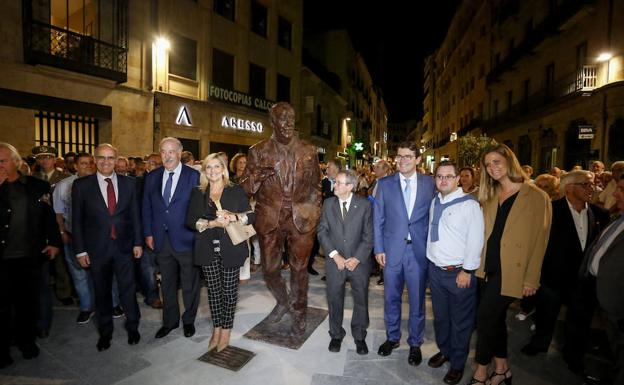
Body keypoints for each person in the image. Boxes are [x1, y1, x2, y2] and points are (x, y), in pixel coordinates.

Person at [467, 143, 551, 385]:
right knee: (496, 319)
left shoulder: (536, 196)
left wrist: (531, 278)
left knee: (484, 318)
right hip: (487, 268)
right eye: (487, 164)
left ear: (509, 161)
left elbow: (540, 241)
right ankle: (503, 369)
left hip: (511, 271)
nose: (492, 168)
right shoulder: (490, 195)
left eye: (496, 161)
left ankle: (481, 370)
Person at [241, 101, 322, 334]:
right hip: (270, 217)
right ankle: (283, 301)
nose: (288, 124)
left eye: (291, 119)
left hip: (301, 217)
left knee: (299, 268)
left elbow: (317, 185)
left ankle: (299, 311)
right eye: (282, 119)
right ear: (272, 122)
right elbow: (245, 189)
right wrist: (255, 176)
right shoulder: (258, 151)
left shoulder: (309, 150)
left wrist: (314, 209)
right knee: (270, 269)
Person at [521, 170, 608, 357]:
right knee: (546, 315)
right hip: (553, 277)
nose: (591, 188)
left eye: (592, 183)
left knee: (580, 320)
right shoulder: (549, 211)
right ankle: (539, 344)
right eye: (585, 184)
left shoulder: (600, 214)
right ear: (569, 188)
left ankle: (573, 354)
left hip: (583, 281)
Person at [72, 143, 143, 351]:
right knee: (102, 293)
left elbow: (135, 217)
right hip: (97, 249)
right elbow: (76, 221)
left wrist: (138, 242)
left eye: (110, 158)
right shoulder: (82, 186)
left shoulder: (129, 184)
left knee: (128, 291)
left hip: (124, 247)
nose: (106, 162)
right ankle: (105, 332)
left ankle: (133, 327)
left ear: (117, 160)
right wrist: (80, 250)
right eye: (101, 157)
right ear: (95, 159)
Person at [373, 141, 436, 365]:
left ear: (418, 159)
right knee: (391, 298)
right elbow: (378, 219)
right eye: (399, 156)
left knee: (418, 301)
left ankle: (415, 343)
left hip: (418, 252)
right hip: (391, 251)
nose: (403, 160)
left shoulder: (430, 183)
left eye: (408, 156)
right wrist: (378, 248)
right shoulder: (385, 184)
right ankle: (392, 338)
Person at [0, 142, 61, 368]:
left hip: (29, 256)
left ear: (16, 163)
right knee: (2, 306)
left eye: (3, 161)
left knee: (27, 303)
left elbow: (48, 217)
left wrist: (54, 242)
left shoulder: (37, 186)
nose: (0, 166)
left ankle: (27, 342)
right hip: (2, 259)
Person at [187, 153, 255, 351]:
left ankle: (226, 331)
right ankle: (216, 329)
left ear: (223, 169)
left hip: (231, 248)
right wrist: (212, 223)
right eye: (209, 167)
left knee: (229, 292)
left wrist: (233, 217)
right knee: (214, 293)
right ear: (204, 171)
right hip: (207, 248)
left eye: (217, 167)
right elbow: (190, 220)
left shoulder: (235, 190)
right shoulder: (197, 192)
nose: (213, 171)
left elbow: (251, 216)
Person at [426, 161, 484, 385]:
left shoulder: (469, 205)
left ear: (458, 178)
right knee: (441, 318)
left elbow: (476, 240)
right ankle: (446, 351)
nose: (443, 180)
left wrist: (467, 270)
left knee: (460, 321)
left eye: (448, 176)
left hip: (458, 273)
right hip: (436, 271)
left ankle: (458, 364)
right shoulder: (435, 201)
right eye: (439, 176)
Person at [142, 137, 201, 339]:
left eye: (171, 151)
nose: (167, 156)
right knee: (166, 283)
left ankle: (189, 320)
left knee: (190, 284)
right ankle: (170, 321)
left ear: (179, 152)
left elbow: (199, 208)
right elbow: (146, 207)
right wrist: (148, 233)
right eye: (164, 152)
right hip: (161, 239)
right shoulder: (152, 177)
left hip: (186, 238)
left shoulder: (193, 176)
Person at [317, 169, 373, 355]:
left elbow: (368, 236)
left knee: (361, 301)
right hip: (335, 262)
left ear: (350, 186)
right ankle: (336, 334)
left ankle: (359, 336)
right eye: (336, 182)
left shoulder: (364, 205)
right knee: (334, 299)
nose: (335, 185)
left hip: (358, 263)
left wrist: (356, 258)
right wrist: (334, 255)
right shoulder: (328, 203)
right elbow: (322, 231)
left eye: (339, 183)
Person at [584, 174, 624, 384]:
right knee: (615, 347)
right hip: (603, 295)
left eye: (622, 189)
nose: (615, 194)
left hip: (618, 303)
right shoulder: (618, 217)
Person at [52, 152, 98, 324]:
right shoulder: (64, 185)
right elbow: (58, 213)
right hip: (73, 236)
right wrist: (62, 232)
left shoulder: (101, 183)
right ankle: (87, 307)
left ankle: (112, 303)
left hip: (97, 238)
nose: (87, 166)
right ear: (76, 166)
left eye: (90, 163)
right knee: (79, 274)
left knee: (104, 272)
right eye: (83, 163)